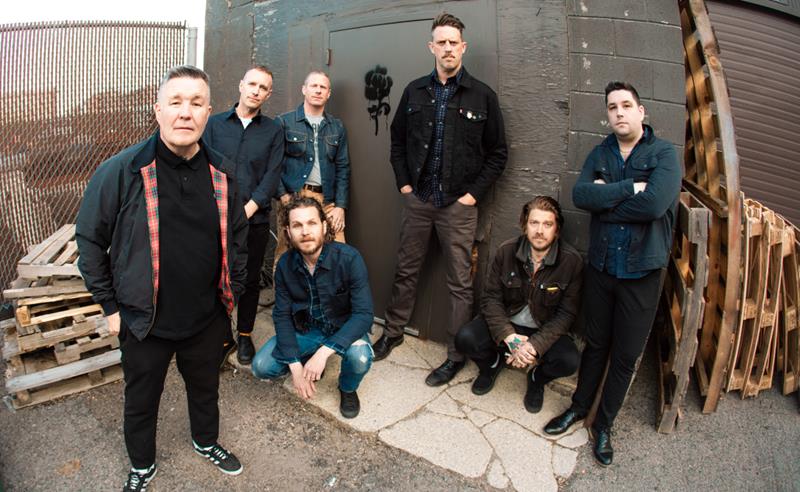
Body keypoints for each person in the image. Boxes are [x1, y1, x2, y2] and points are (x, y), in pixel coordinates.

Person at [75, 65, 248, 491]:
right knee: (141, 400)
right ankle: (142, 465)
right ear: (158, 110)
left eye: (196, 103)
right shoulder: (122, 171)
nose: (185, 112)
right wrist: (110, 307)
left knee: (205, 390)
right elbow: (90, 240)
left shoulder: (223, 173)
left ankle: (206, 441)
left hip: (205, 318)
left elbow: (239, 241)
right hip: (143, 321)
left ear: (208, 112)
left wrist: (229, 297)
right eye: (176, 102)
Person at [544, 81, 681, 466]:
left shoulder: (664, 154)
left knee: (624, 355)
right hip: (603, 268)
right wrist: (630, 187)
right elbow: (581, 196)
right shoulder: (601, 152)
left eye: (626, 105)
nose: (619, 112)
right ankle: (578, 407)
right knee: (596, 344)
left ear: (641, 111)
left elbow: (653, 206)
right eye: (612, 107)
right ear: (607, 114)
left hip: (641, 272)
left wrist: (605, 203)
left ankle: (603, 425)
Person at [372, 12, 508, 387]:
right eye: (441, 42)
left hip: (457, 206)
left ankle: (455, 355)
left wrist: (471, 197)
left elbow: (498, 153)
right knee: (406, 270)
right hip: (419, 200)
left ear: (463, 47)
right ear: (431, 47)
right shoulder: (414, 91)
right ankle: (392, 332)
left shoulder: (482, 95)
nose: (448, 48)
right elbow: (397, 142)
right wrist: (404, 185)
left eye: (453, 42)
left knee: (460, 283)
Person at [454, 196, 583, 413]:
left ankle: (537, 378)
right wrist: (509, 337)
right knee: (465, 339)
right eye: (534, 223)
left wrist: (534, 346)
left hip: (542, 328)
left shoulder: (571, 261)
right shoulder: (506, 251)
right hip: (507, 323)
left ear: (557, 229)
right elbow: (491, 298)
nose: (539, 231)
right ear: (525, 225)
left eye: (547, 224)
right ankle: (492, 364)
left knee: (569, 361)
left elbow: (566, 314)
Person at [252, 196, 374, 419]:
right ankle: (307, 358)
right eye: (297, 225)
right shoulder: (285, 265)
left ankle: (347, 388)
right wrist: (295, 366)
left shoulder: (349, 258)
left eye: (312, 223)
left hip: (343, 327)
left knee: (360, 357)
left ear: (324, 226)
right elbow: (281, 315)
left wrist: (323, 353)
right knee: (261, 366)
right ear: (288, 232)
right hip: (308, 329)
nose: (305, 231)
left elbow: (364, 315)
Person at [204, 65, 284, 365]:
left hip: (255, 220)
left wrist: (249, 208)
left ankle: (245, 334)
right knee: (216, 278)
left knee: (250, 280)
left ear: (268, 94)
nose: (256, 91)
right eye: (252, 84)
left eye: (263, 88)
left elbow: (273, 174)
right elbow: (204, 166)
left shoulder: (273, 130)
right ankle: (223, 336)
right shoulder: (214, 125)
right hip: (217, 218)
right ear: (241, 85)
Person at [273, 71, 349, 265]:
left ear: (328, 93)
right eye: (313, 86)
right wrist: (283, 196)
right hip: (294, 196)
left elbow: (343, 167)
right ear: (304, 89)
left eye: (323, 87)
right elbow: (273, 164)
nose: (318, 90)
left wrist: (340, 206)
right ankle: (283, 287)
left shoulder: (337, 127)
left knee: (338, 253)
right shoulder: (284, 122)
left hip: (328, 200)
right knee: (286, 254)